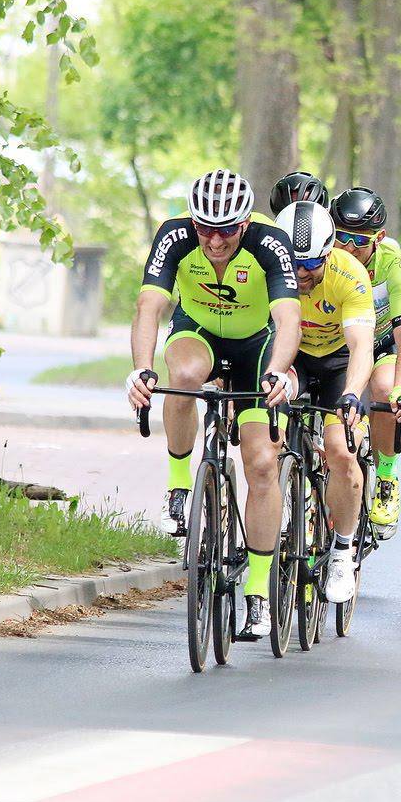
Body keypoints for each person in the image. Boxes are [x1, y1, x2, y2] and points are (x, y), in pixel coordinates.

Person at [126, 169, 300, 640]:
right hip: (197, 332)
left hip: (256, 347)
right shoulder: (176, 234)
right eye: (205, 229)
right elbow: (149, 307)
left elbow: (288, 318)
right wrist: (142, 369)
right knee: (180, 377)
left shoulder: (271, 242)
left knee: (262, 464)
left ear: (244, 224)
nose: (214, 240)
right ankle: (180, 486)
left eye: (225, 230)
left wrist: (279, 372)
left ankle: (259, 591)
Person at [274, 201, 377, 605]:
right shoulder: (269, 268)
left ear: (330, 251)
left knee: (340, 450)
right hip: (292, 358)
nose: (301, 274)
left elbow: (361, 346)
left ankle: (341, 551)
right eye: (294, 264)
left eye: (312, 264)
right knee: (267, 438)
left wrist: (352, 393)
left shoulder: (348, 274)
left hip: (338, 364)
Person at [328, 187, 401, 533]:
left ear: (379, 238)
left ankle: (385, 475)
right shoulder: (324, 257)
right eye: (341, 238)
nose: (349, 248)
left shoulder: (395, 265)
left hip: (381, 344)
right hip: (335, 344)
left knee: (384, 387)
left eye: (359, 241)